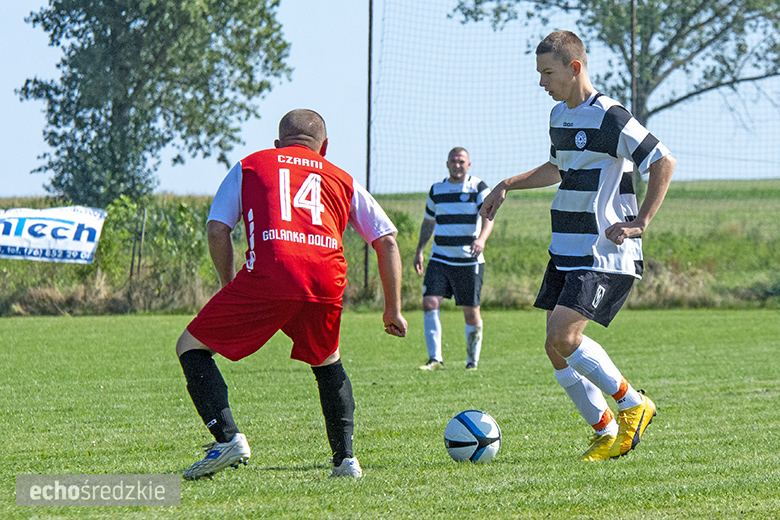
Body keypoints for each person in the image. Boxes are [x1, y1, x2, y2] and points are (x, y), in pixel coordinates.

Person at [175, 109, 408, 480]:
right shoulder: (342, 178)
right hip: (325, 279)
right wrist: (393, 309)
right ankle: (345, 461)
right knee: (327, 360)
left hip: (272, 272)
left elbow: (218, 229)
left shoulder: (250, 165)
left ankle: (227, 439)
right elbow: (387, 240)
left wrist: (228, 285)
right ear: (324, 147)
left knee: (190, 346)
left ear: (277, 144)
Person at [480, 31, 676, 461]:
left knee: (563, 335)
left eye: (547, 73)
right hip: (566, 246)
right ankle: (605, 431)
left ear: (574, 68)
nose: (541, 82)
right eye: (539, 73)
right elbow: (558, 167)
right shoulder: (558, 115)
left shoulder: (610, 115)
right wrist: (507, 184)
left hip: (603, 249)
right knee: (554, 347)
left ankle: (633, 405)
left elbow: (662, 160)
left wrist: (640, 222)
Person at [414, 147, 494, 371]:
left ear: (468, 165)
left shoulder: (478, 187)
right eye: (453, 161)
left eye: (461, 161)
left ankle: (472, 362)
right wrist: (420, 250)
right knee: (429, 303)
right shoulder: (437, 190)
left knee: (470, 310)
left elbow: (489, 216)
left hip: (469, 261)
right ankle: (435, 360)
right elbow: (428, 222)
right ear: (447, 164)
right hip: (440, 258)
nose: (457, 165)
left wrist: (481, 239)